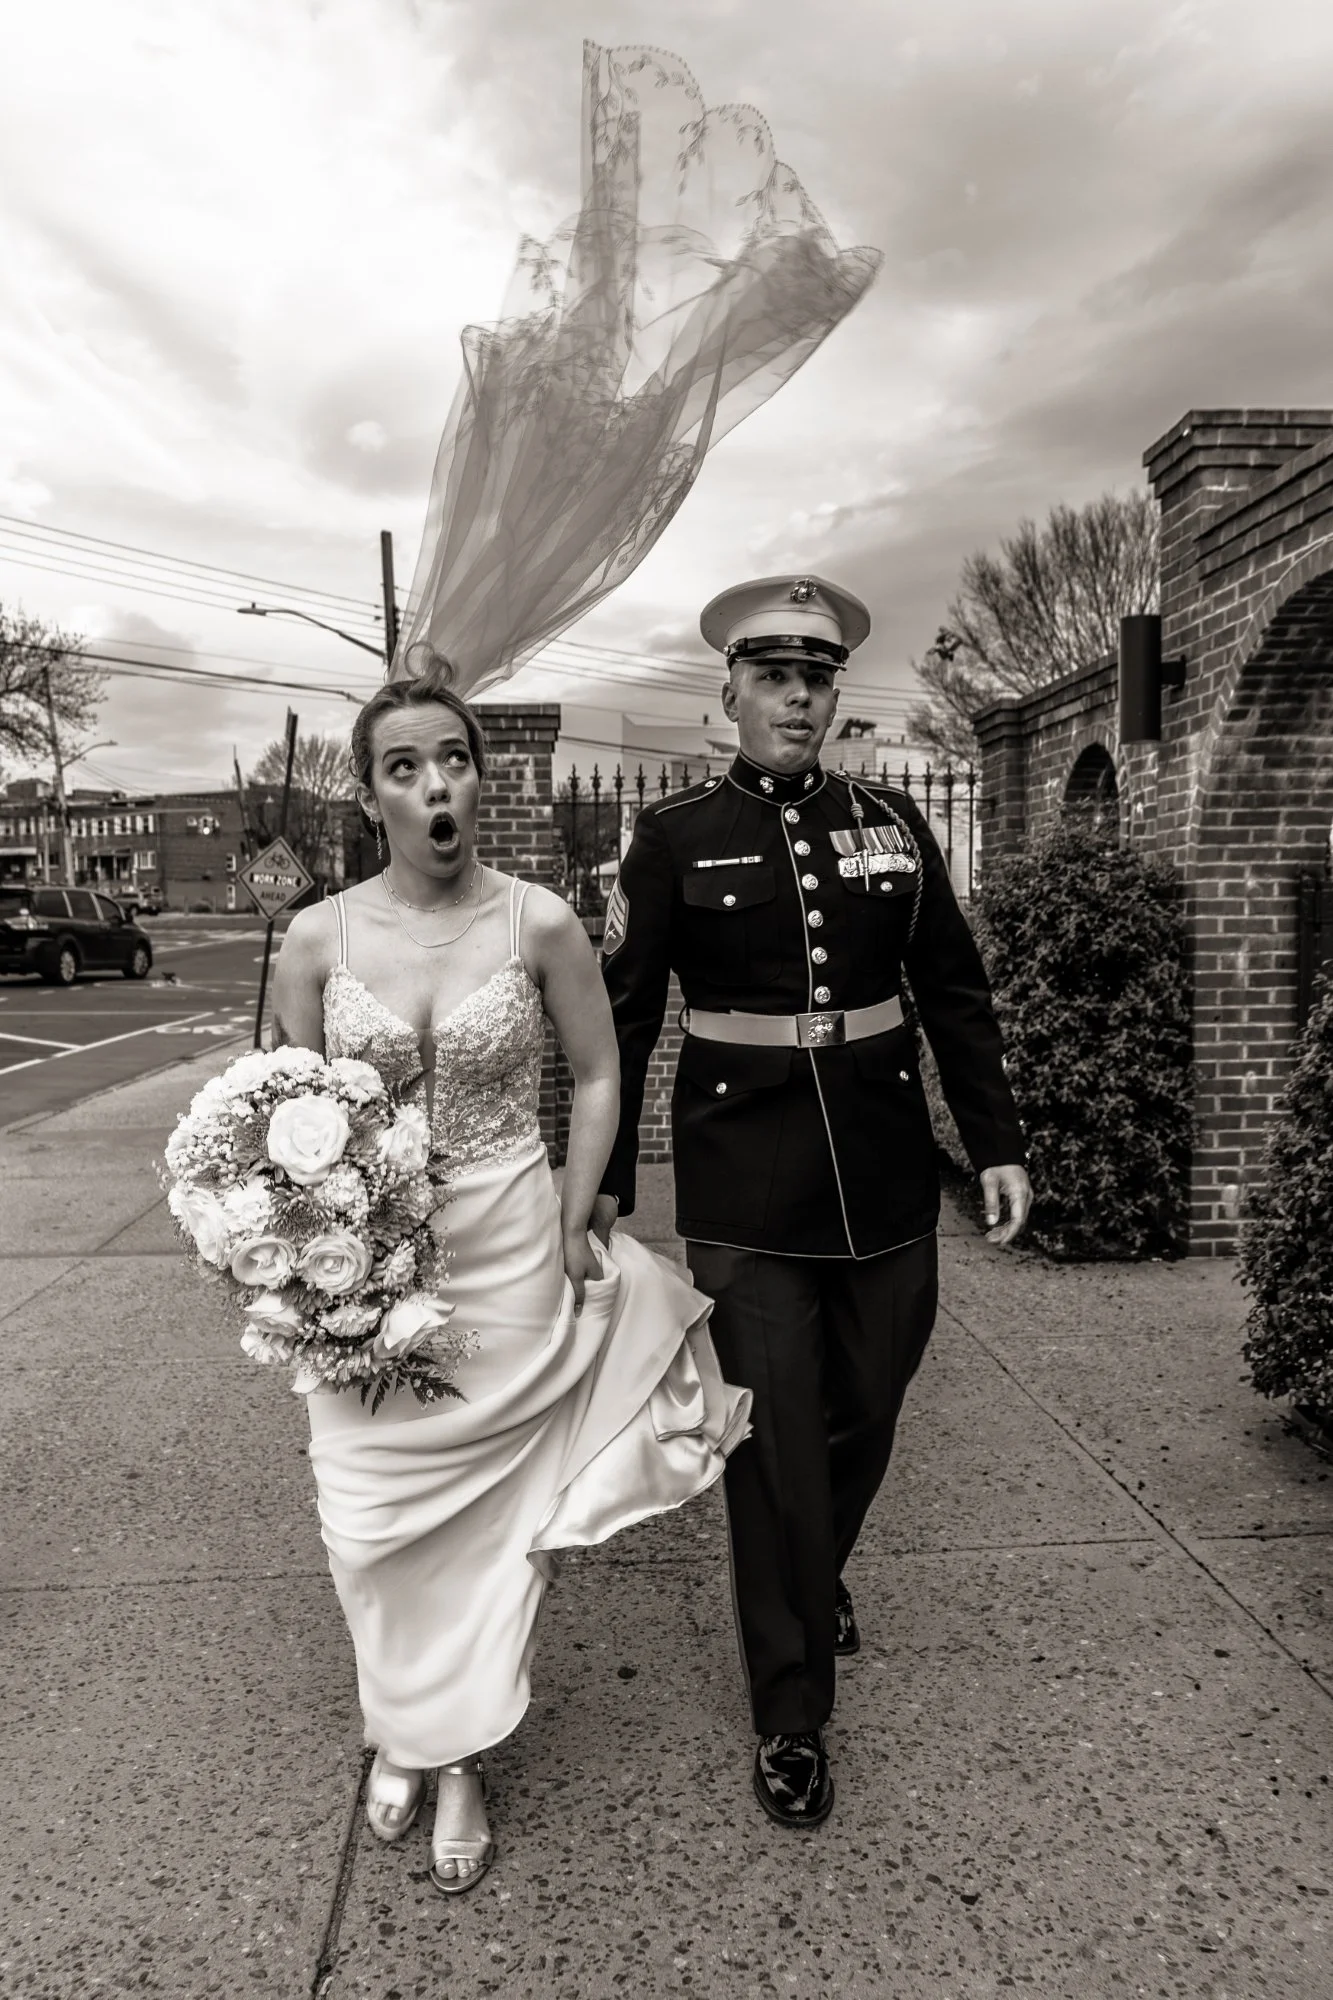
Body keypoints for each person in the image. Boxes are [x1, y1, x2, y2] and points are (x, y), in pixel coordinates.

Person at [270, 660, 750, 1895]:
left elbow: (599, 1070)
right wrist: (286, 1239)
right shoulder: (314, 937)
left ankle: (460, 1749)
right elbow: (277, 1111)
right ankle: (401, 1720)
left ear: (480, 775)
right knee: (366, 1524)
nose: (436, 785)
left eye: (454, 759)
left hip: (507, 1247)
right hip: (360, 1265)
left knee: (497, 1527)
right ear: (369, 793)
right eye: (404, 765)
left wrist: (584, 1204)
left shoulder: (537, 918)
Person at [592, 574, 1032, 1830]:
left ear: (837, 694)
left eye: (817, 676)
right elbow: (623, 1018)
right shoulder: (672, 836)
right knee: (772, 1435)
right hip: (744, 1173)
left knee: (873, 1396)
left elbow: (952, 986)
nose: (796, 694)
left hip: (885, 1160)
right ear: (727, 690)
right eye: (773, 674)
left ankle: (811, 1561)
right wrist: (609, 1186)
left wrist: (991, 1138)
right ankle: (791, 1709)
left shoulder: (892, 819)